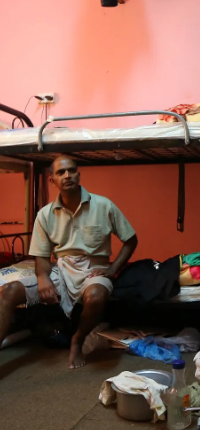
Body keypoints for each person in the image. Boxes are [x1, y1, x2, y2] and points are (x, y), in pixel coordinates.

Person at [0, 155, 138, 369]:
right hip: (61, 270)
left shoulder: (103, 205)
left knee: (96, 295)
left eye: (71, 170)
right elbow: (42, 256)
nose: (67, 175)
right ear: (52, 180)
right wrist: (43, 277)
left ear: (78, 174)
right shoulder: (45, 215)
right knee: (8, 291)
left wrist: (112, 270)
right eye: (60, 172)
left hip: (93, 269)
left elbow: (131, 240)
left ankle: (78, 340)